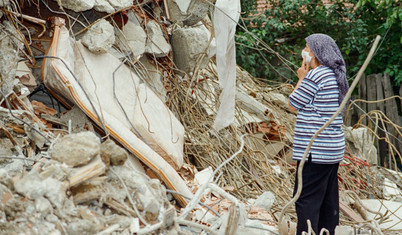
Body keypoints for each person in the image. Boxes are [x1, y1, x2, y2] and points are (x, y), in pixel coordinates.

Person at [288, 33, 349, 235]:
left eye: (306, 47)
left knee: (306, 199)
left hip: (314, 150)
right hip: (332, 149)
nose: (304, 51)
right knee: (327, 199)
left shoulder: (317, 75)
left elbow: (293, 104)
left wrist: (301, 79)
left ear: (314, 53)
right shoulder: (335, 75)